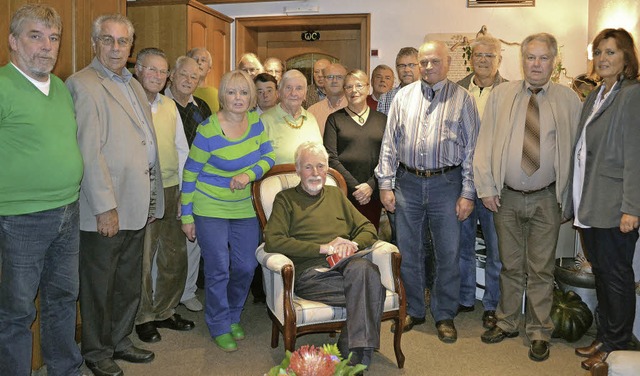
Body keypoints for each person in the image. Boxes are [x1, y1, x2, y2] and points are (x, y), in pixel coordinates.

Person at [66, 13, 165, 376]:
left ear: (131, 47)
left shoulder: (135, 84)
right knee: (98, 286)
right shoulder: (82, 84)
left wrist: (153, 198)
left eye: (123, 41)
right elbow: (88, 152)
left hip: (138, 202)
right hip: (106, 208)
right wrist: (105, 207)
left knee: (127, 281)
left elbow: (146, 144)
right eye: (108, 40)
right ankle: (96, 350)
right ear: (95, 43)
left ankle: (121, 340)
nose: (116, 47)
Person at [474, 33, 582, 362]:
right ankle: (506, 321)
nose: (536, 64)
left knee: (541, 269)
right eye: (530, 57)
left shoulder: (569, 100)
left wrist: (570, 199)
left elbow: (578, 154)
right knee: (509, 265)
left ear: (554, 62)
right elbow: (485, 142)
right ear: (522, 60)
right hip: (505, 197)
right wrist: (487, 187)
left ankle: (538, 330)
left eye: (543, 58)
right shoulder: (501, 94)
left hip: (546, 198)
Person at [375, 40, 479, 344]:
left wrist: (468, 193)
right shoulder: (402, 98)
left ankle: (445, 313)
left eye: (435, 61)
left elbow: (472, 150)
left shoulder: (464, 100)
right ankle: (415, 309)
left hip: (447, 184)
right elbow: (389, 144)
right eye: (423, 62)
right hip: (407, 183)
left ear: (447, 63)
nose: (428, 67)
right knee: (408, 251)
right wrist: (385, 184)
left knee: (448, 252)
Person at [0, 5, 84, 376]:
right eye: (36, 36)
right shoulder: (3, 86)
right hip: (21, 218)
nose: (47, 46)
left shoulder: (62, 89)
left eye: (53, 38)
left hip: (68, 209)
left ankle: (64, 368)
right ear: (13, 42)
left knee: (63, 299)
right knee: (18, 311)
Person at [264, 141, 386, 369]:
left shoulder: (335, 195)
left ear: (327, 169)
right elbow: (273, 241)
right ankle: (353, 359)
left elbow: (368, 228)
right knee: (371, 286)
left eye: (320, 166)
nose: (315, 173)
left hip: (347, 267)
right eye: (308, 167)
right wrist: (325, 248)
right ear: (298, 170)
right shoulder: (285, 200)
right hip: (312, 275)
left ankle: (351, 357)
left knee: (365, 270)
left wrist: (350, 244)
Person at [181, 70, 275, 352]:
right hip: (209, 205)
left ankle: (234, 315)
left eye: (244, 92)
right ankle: (219, 323)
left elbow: (269, 157)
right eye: (232, 92)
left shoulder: (257, 123)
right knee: (219, 267)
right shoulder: (208, 129)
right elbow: (190, 174)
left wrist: (248, 175)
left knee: (246, 265)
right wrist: (186, 216)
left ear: (251, 97)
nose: (238, 98)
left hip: (244, 206)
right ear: (223, 96)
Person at [564, 28, 640, 371]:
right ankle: (605, 334)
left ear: (626, 57)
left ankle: (617, 343)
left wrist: (632, 207)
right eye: (599, 52)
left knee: (616, 277)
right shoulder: (598, 94)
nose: (603, 58)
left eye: (611, 52)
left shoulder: (631, 95)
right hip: (590, 202)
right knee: (604, 274)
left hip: (615, 206)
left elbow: (635, 155)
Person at [133, 48, 194, 344]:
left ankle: (166, 310)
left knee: (174, 254)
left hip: (173, 188)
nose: (157, 76)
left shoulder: (169, 105)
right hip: (143, 188)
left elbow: (182, 149)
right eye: (151, 69)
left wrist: (185, 190)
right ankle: (143, 316)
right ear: (138, 70)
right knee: (144, 257)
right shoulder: (129, 103)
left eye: (162, 71)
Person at [456, 35, 507, 329]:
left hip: (494, 184)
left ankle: (491, 304)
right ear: (471, 59)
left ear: (499, 59)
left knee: (495, 248)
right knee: (461, 244)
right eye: (478, 55)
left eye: (490, 55)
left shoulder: (510, 91)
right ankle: (465, 297)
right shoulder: (458, 90)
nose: (483, 60)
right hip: (462, 182)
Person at [165, 56, 212, 313]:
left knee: (193, 238)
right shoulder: (160, 104)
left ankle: (188, 291)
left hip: (199, 183)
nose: (188, 80)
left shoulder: (201, 106)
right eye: (183, 74)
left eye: (194, 77)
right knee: (168, 243)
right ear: (171, 74)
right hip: (169, 182)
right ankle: (165, 297)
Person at [324, 69, 386, 229]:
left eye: (359, 85)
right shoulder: (334, 119)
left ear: (368, 88)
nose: (354, 91)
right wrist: (356, 188)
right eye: (349, 87)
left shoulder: (382, 120)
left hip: (374, 192)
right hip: (345, 191)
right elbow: (331, 158)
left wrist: (370, 186)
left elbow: (388, 157)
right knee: (346, 239)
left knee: (371, 237)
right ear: (344, 91)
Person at [261, 69, 323, 164]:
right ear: (279, 92)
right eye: (288, 88)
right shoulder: (264, 120)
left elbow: (320, 155)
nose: (293, 93)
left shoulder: (311, 119)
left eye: (299, 88)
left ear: (305, 94)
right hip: (276, 177)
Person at [377, 47, 420, 115]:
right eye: (402, 66)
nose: (406, 70)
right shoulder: (385, 98)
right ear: (397, 69)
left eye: (411, 65)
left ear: (420, 67)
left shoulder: (429, 96)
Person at [308, 63, 348, 135]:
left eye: (339, 77)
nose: (334, 81)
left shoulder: (355, 109)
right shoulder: (312, 112)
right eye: (330, 77)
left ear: (346, 81)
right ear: (323, 80)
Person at [187, 47, 220, 112]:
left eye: (203, 60)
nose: (199, 62)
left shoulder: (217, 95)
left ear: (209, 68)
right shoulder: (182, 90)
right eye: (195, 59)